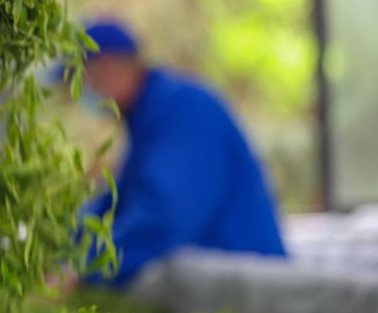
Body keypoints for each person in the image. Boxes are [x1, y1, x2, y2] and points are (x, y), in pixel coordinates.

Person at [78, 21, 287, 287]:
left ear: (109, 68)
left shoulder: (184, 110)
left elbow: (166, 214)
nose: (82, 91)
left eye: (81, 79)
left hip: (249, 284)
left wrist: (85, 267)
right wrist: (68, 244)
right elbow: (117, 204)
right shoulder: (146, 121)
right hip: (215, 284)